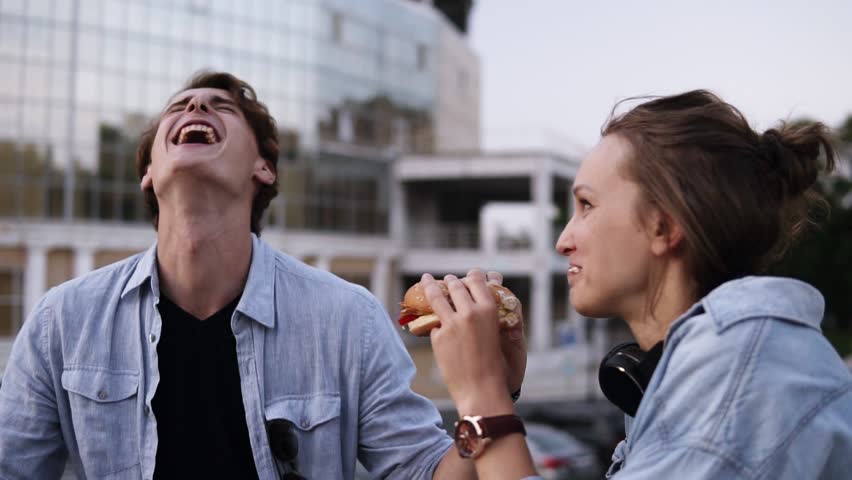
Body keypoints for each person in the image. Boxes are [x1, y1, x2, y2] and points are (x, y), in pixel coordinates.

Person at [0, 71, 526, 479]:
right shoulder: (62, 321)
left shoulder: (347, 318)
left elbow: (423, 471)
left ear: (263, 169)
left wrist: (490, 400)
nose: (196, 106)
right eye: (179, 108)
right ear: (148, 173)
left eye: (219, 107)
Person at [422, 90, 852, 479]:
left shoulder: (733, 390)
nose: (562, 240)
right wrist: (494, 390)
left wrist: (483, 396)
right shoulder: (702, 364)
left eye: (586, 205)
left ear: (663, 227)